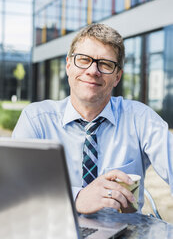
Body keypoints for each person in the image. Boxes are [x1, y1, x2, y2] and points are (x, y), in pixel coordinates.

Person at [12, 23, 173, 215]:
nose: (93, 70)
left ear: (117, 77)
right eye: (84, 59)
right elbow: (14, 190)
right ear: (69, 65)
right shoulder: (36, 120)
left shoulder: (140, 119)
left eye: (105, 64)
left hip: (125, 233)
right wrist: (77, 198)